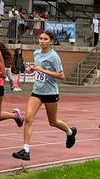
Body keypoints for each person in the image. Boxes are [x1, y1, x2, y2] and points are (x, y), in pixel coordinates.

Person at [12, 30, 77, 161]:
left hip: (51, 93)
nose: (42, 41)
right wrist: (32, 69)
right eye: (40, 39)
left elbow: (61, 75)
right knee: (29, 118)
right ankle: (26, 150)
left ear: (51, 41)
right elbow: (37, 67)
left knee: (53, 121)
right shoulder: (36, 53)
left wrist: (44, 71)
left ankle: (70, 132)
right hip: (37, 91)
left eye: (45, 39)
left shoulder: (54, 56)